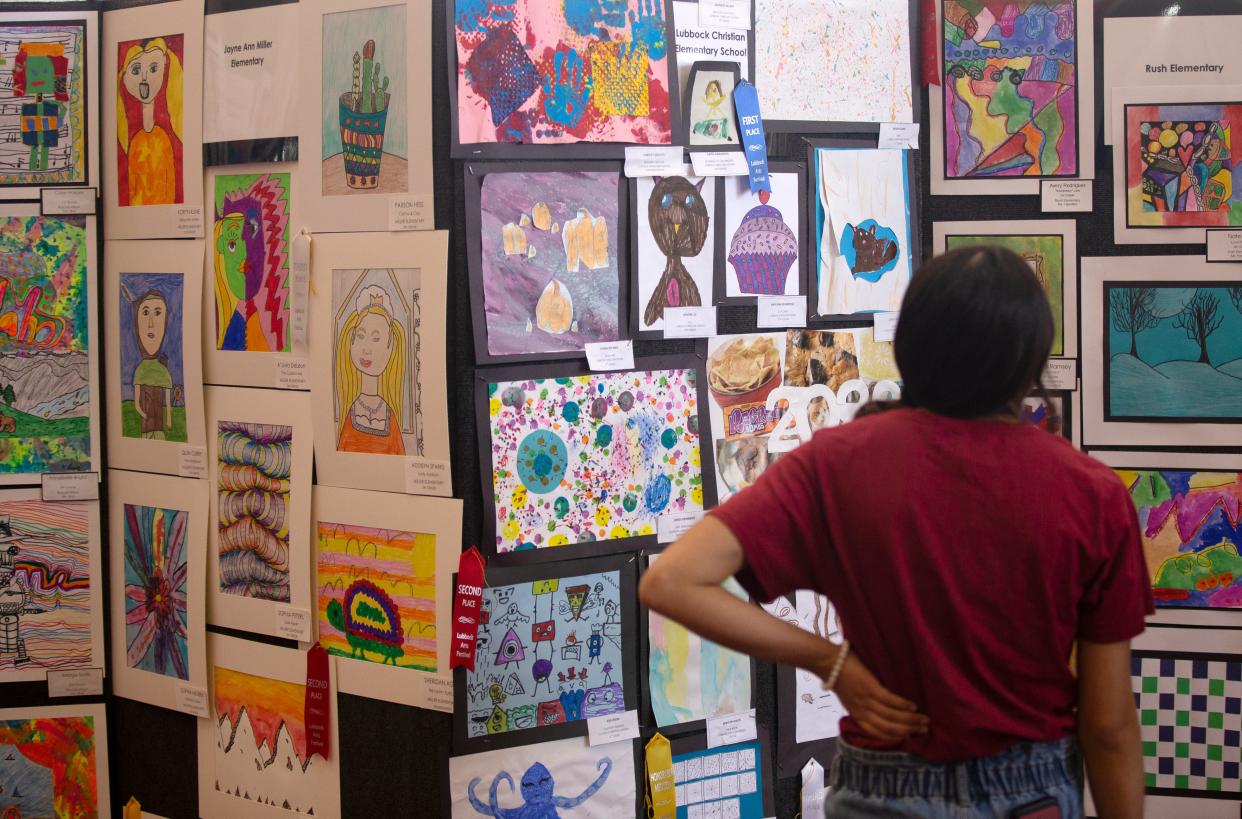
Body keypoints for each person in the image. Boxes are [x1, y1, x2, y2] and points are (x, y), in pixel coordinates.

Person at [641, 246, 1151, 818]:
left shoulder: (838, 462)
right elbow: (1107, 725)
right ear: (1030, 354)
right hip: (1031, 795)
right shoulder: (1093, 493)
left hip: (884, 792)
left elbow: (671, 582)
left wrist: (829, 662)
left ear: (912, 342)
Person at [334, 284, 407, 455]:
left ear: (390, 348)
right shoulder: (349, 414)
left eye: (376, 339)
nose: (366, 348)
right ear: (351, 342)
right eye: (360, 336)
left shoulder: (390, 418)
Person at [117, 37, 182, 206]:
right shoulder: (134, 142)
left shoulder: (164, 139)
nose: (144, 77)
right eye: (136, 71)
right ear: (124, 77)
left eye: (153, 68)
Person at [130, 289, 174, 440]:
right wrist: (143, 414)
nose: (150, 324)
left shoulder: (163, 371)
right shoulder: (140, 370)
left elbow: (168, 403)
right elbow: (136, 403)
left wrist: (168, 420)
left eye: (157, 313)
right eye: (145, 313)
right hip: (146, 427)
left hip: (158, 427)